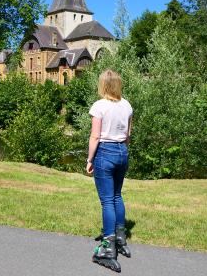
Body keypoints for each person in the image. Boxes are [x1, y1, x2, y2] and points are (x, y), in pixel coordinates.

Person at [86, 69, 133, 272]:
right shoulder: (127, 105)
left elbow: (95, 136)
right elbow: (128, 135)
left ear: (103, 85)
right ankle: (120, 237)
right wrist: (121, 151)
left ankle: (107, 246)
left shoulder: (99, 106)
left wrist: (89, 159)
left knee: (107, 200)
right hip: (122, 151)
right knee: (116, 196)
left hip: (105, 151)